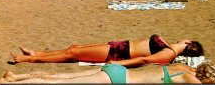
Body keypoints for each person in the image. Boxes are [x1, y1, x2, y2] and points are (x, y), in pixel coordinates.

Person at [11, 34, 204, 67]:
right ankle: (37, 53)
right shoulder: (171, 46)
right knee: (73, 48)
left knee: (72, 54)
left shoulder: (170, 53)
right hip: (119, 46)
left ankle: (27, 60)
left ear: (189, 45)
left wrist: (118, 63)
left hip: (119, 54)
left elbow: (145, 60)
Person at [0, 62, 215, 84]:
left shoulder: (183, 67)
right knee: (56, 83)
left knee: (59, 77)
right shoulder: (190, 78)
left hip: (117, 71)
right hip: (118, 79)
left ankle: (16, 77)